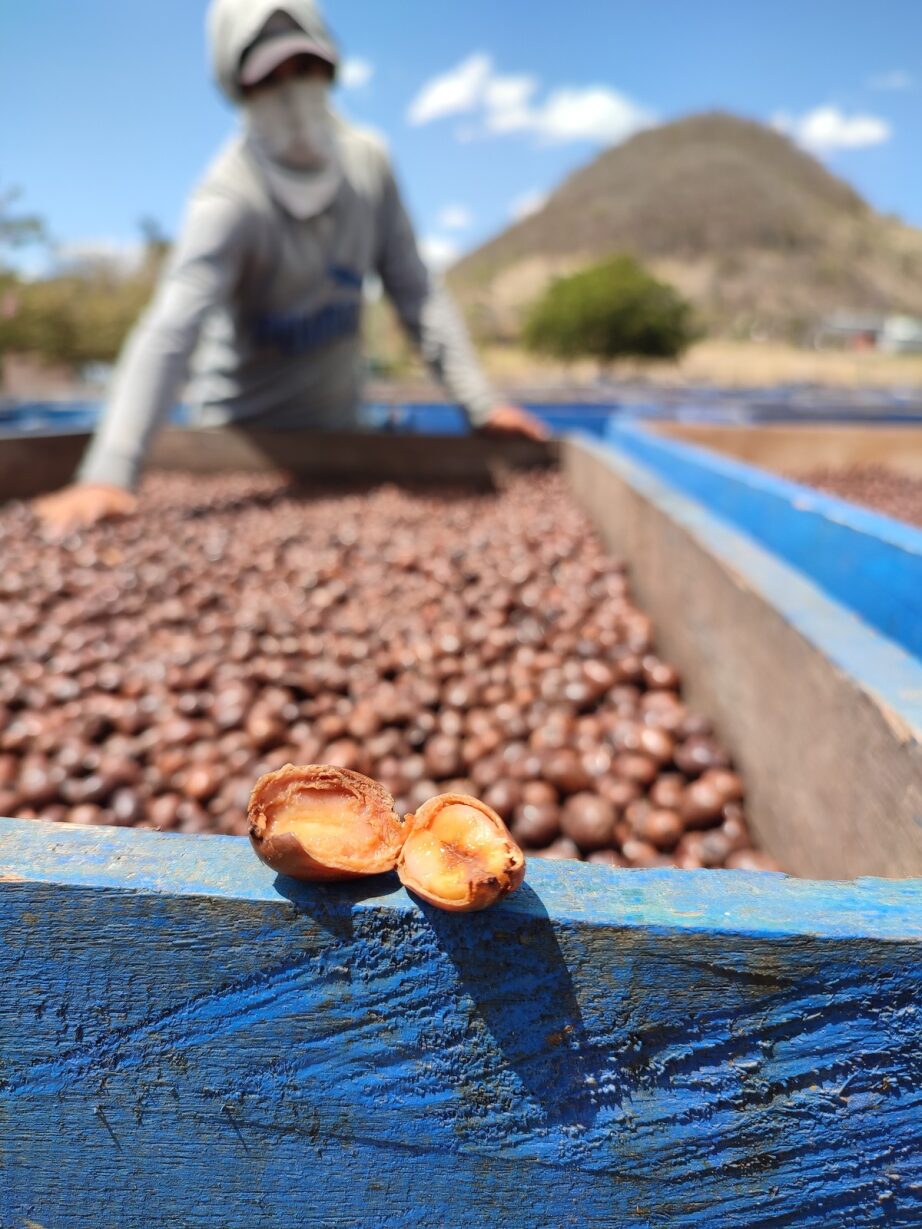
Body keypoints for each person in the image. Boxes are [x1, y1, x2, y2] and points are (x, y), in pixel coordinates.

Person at [36, 0, 546, 530]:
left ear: (330, 69)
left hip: (342, 437)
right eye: (269, 77)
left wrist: (480, 403)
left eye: (305, 68)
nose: (293, 91)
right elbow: (172, 327)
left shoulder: (368, 165)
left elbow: (416, 292)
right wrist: (110, 473)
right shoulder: (230, 196)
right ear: (239, 89)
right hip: (234, 443)